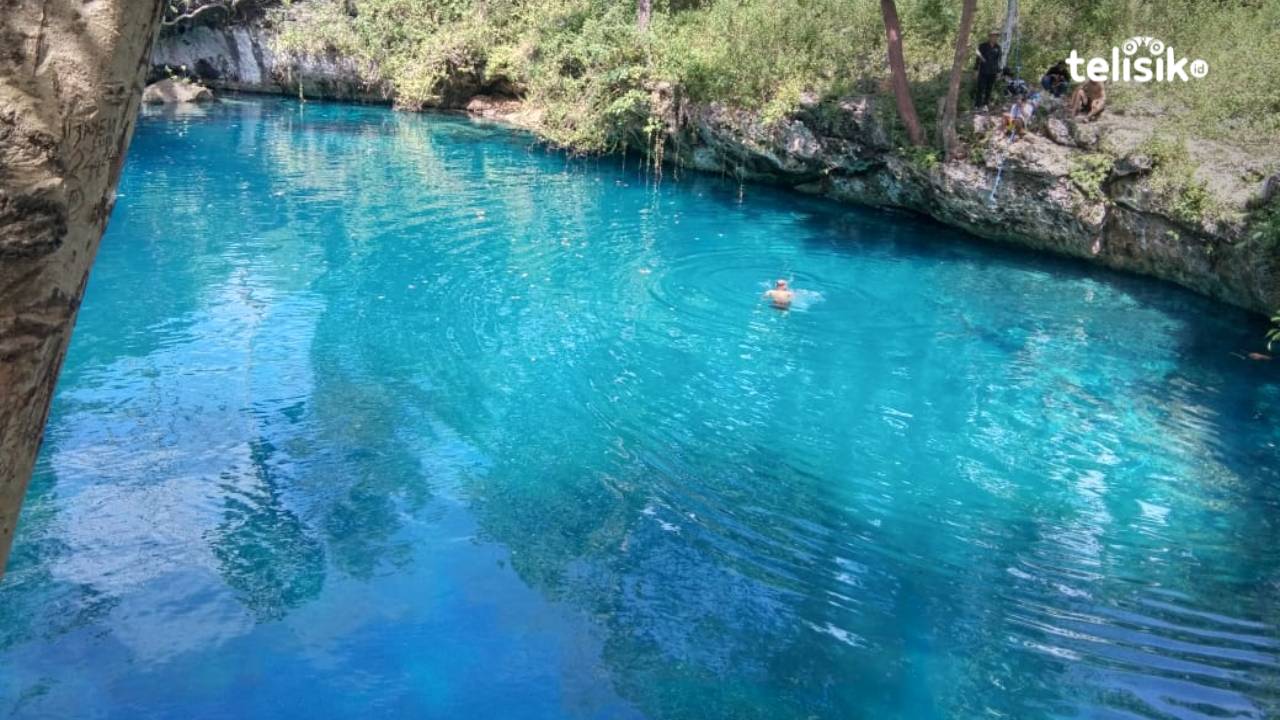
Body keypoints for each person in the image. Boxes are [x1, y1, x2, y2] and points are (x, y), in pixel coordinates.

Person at [972, 31, 1003, 109]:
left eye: (996, 36)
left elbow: (998, 61)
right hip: (983, 71)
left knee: (989, 89)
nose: (994, 38)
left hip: (993, 72)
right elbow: (978, 59)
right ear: (989, 37)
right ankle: (977, 105)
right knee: (980, 88)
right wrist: (975, 70)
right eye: (993, 36)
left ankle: (985, 104)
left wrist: (999, 72)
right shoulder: (982, 46)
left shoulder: (998, 47)